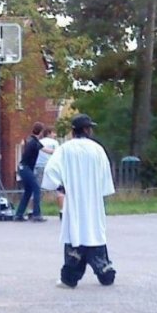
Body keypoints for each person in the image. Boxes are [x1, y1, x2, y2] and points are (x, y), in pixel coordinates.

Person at [41, 113, 116, 288]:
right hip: (93, 202)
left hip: (74, 201)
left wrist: (60, 185)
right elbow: (105, 176)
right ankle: (105, 271)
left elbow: (50, 170)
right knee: (94, 232)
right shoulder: (97, 149)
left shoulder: (65, 149)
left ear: (73, 131)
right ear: (86, 130)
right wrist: (100, 191)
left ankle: (70, 277)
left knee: (75, 233)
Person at [14, 122, 47, 222]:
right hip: (25, 168)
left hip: (23, 168)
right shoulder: (34, 142)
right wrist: (57, 151)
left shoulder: (30, 139)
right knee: (36, 189)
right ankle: (36, 214)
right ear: (41, 132)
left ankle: (19, 214)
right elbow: (47, 150)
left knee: (28, 191)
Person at [34, 127, 61, 218]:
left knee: (38, 189)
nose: (55, 135)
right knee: (58, 187)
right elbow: (57, 154)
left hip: (38, 166)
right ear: (49, 133)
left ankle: (34, 210)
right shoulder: (54, 143)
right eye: (54, 133)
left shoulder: (39, 142)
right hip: (50, 166)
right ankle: (62, 210)